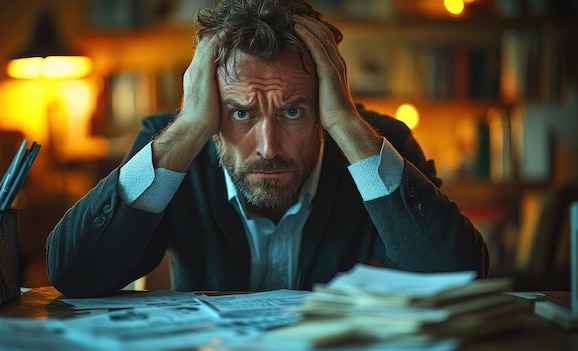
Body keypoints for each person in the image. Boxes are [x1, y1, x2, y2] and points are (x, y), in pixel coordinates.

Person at [46, 0, 489, 297]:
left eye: (294, 112)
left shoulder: (373, 145)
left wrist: (346, 124)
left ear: (324, 104)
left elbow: (458, 276)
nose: (268, 146)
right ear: (212, 108)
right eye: (240, 113)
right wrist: (190, 127)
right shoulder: (174, 145)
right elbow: (73, 273)